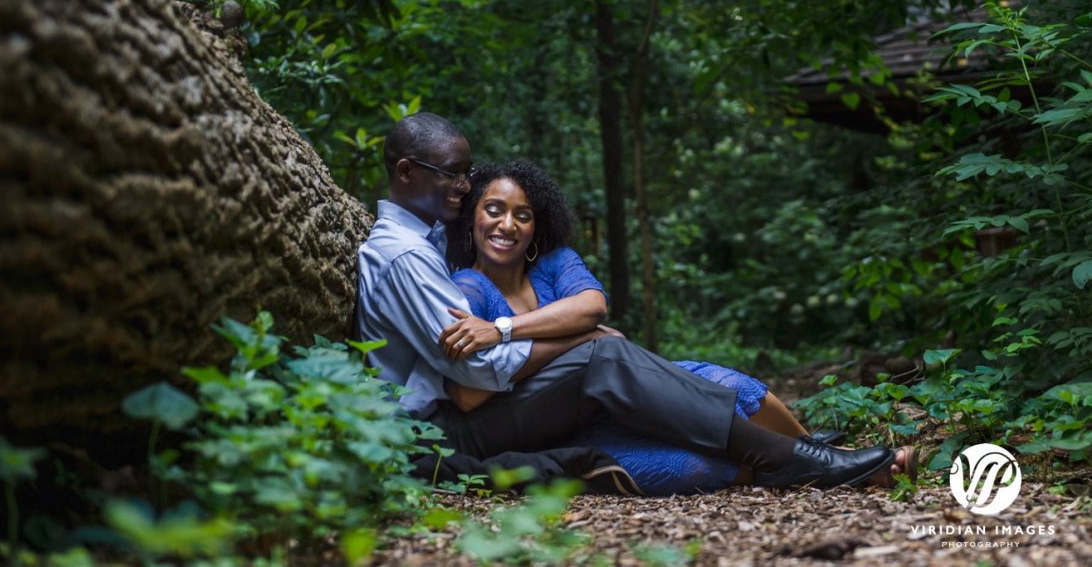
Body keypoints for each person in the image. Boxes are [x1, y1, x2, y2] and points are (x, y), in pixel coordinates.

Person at [356, 112, 895, 493]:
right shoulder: (410, 259)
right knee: (607, 356)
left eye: (464, 175)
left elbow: (593, 306)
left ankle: (801, 455)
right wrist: (577, 337)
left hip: (479, 412)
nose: (462, 187)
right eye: (454, 176)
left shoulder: (428, 247)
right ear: (406, 173)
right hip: (443, 432)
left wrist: (565, 331)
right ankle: (788, 460)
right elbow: (478, 374)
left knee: (657, 367)